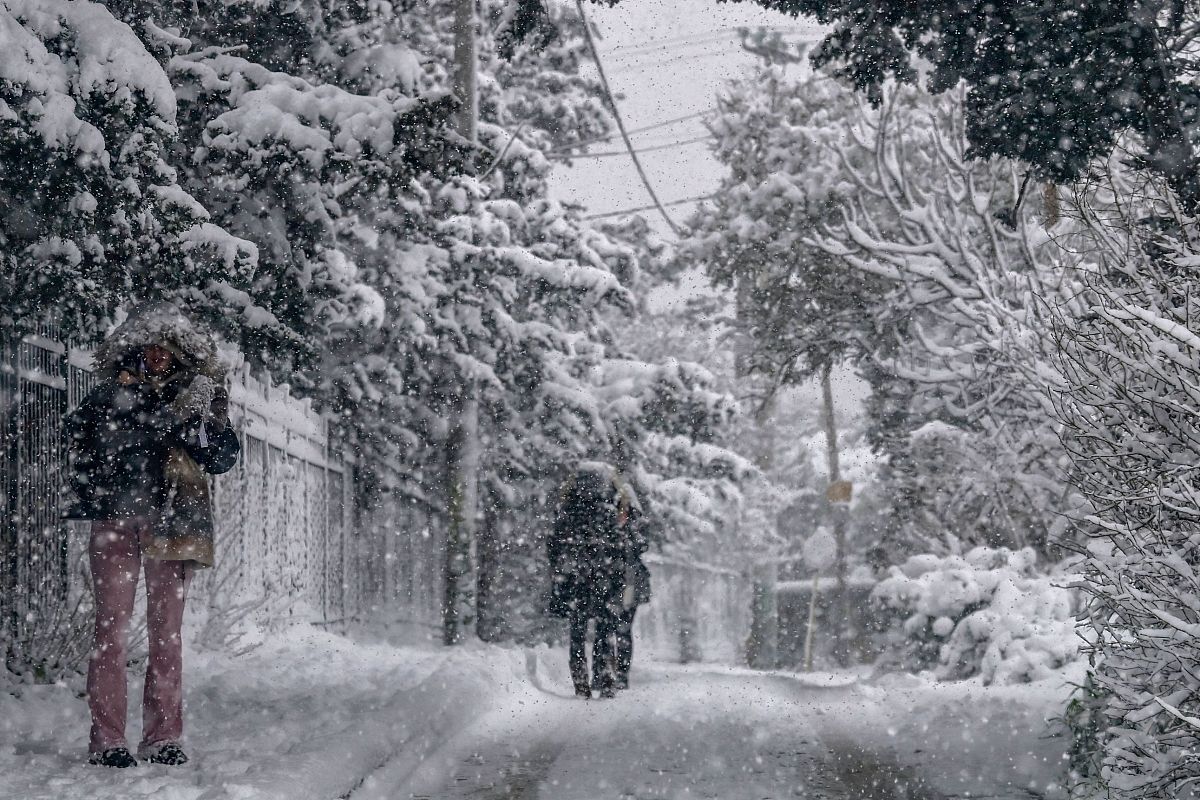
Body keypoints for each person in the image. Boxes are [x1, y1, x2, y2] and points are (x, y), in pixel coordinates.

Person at [65, 305, 240, 768]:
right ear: (135, 349)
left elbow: (222, 457)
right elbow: (82, 443)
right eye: (151, 347)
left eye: (168, 348)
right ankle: (107, 739)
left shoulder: (200, 395)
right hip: (116, 520)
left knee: (167, 633)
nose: (159, 356)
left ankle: (164, 736)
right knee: (111, 631)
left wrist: (203, 425)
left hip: (174, 521)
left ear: (182, 352)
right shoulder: (107, 396)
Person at [548, 464, 632, 699]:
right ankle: (605, 677)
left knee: (578, 631)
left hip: (577, 579)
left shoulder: (568, 509)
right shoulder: (610, 509)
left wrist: (561, 572)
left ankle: (580, 681)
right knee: (606, 629)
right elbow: (622, 547)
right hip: (605, 577)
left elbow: (554, 544)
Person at [613, 477, 651, 690]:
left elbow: (640, 547)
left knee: (623, 627)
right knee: (612, 626)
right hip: (616, 581)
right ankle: (614, 671)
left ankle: (621, 674)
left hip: (629, 583)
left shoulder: (636, 526)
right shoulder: (611, 525)